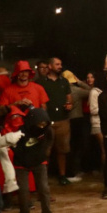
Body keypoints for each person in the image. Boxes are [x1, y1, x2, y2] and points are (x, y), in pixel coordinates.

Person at [11, 107, 57, 213]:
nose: (42, 126)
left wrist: (45, 151)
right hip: (22, 164)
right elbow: (14, 147)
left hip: (39, 162)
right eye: (39, 123)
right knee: (23, 192)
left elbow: (50, 138)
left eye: (44, 123)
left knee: (44, 189)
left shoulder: (47, 130)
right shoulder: (20, 132)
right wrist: (25, 159)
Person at [35, 57, 74, 186]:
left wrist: (69, 104)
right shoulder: (40, 82)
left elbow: (69, 99)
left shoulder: (64, 81)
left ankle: (62, 176)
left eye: (60, 64)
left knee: (62, 150)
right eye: (57, 64)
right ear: (50, 66)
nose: (60, 66)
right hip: (47, 121)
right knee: (46, 151)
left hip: (63, 120)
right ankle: (43, 178)